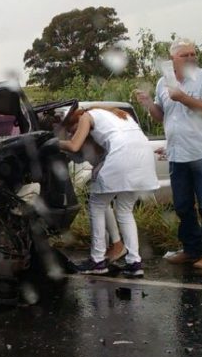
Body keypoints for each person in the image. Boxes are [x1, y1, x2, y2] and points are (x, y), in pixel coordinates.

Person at [135, 38, 202, 269]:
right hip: (177, 154)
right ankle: (192, 249)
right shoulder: (162, 83)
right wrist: (147, 103)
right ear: (173, 59)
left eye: (193, 54)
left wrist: (183, 97)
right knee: (183, 206)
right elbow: (160, 115)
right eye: (185, 55)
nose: (191, 58)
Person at [58, 105, 159, 277]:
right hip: (144, 159)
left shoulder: (86, 117)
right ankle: (134, 263)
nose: (72, 133)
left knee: (97, 205)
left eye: (72, 129)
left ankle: (97, 261)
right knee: (125, 210)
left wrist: (52, 142)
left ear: (76, 119)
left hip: (121, 158)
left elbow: (74, 146)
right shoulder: (121, 115)